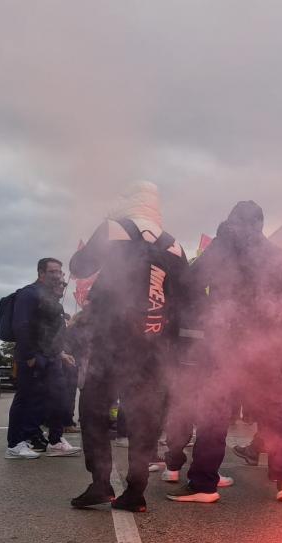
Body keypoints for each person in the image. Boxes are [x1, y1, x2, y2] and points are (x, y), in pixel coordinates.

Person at [168, 200, 282, 504]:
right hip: (262, 343)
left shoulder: (222, 248)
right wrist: (276, 317)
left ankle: (204, 484)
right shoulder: (275, 253)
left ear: (232, 221)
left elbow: (190, 281)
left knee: (214, 413)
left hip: (225, 341)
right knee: (274, 413)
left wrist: (207, 311)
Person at [68, 181, 188, 513]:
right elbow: (183, 300)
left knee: (94, 407)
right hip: (153, 342)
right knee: (143, 414)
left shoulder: (115, 228)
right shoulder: (174, 245)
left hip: (112, 337)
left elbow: (80, 267)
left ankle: (100, 483)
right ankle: (136, 491)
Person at [6, 257, 70, 459]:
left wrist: (60, 353)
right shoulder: (29, 294)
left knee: (57, 397)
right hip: (33, 357)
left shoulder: (51, 298)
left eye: (59, 272)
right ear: (41, 273)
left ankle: (55, 441)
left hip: (51, 357)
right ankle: (15, 444)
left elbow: (51, 331)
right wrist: (29, 356)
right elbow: (21, 326)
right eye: (52, 272)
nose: (57, 275)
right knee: (26, 399)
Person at [42, 277, 80, 456]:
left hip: (57, 359)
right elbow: (44, 336)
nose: (63, 288)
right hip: (49, 360)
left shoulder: (56, 307)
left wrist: (61, 354)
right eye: (60, 285)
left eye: (64, 285)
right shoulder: (47, 307)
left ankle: (52, 436)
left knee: (59, 398)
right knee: (54, 399)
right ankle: (54, 439)